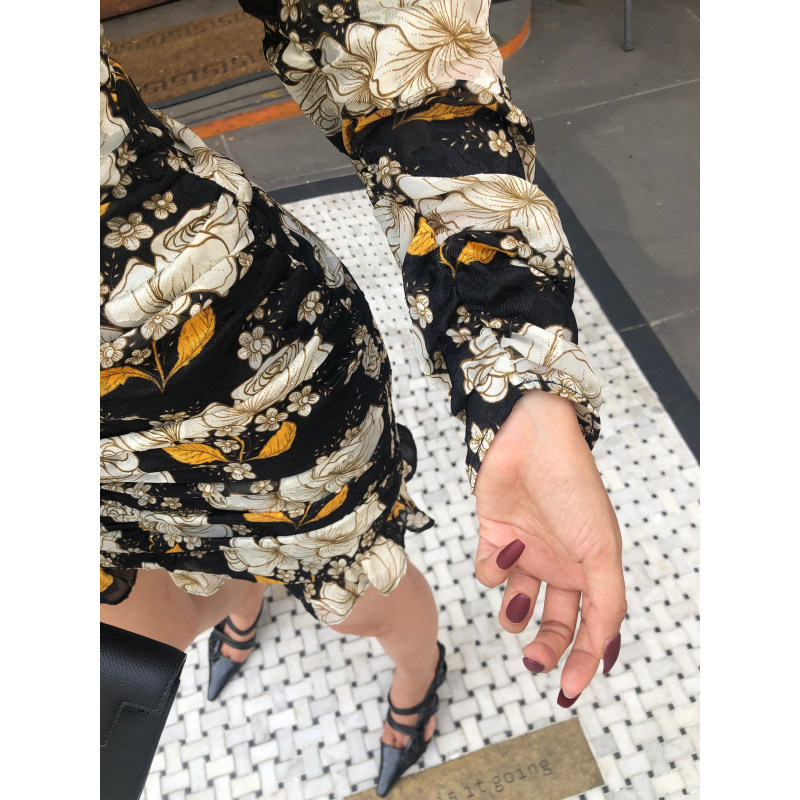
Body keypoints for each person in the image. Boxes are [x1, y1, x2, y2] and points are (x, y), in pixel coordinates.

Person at [100, 0, 627, 795]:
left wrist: (516, 377)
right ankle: (245, 597)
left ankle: (418, 677)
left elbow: (396, 44)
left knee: (360, 599)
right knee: (175, 614)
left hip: (250, 399)